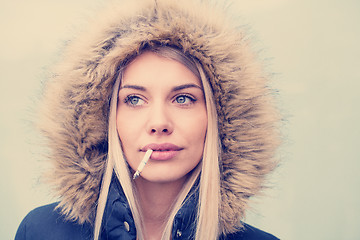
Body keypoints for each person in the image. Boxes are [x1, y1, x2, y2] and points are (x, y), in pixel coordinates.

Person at [15, 0, 280, 239]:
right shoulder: (42, 231)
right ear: (102, 120)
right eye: (134, 99)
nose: (159, 122)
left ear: (221, 120)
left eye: (183, 99)